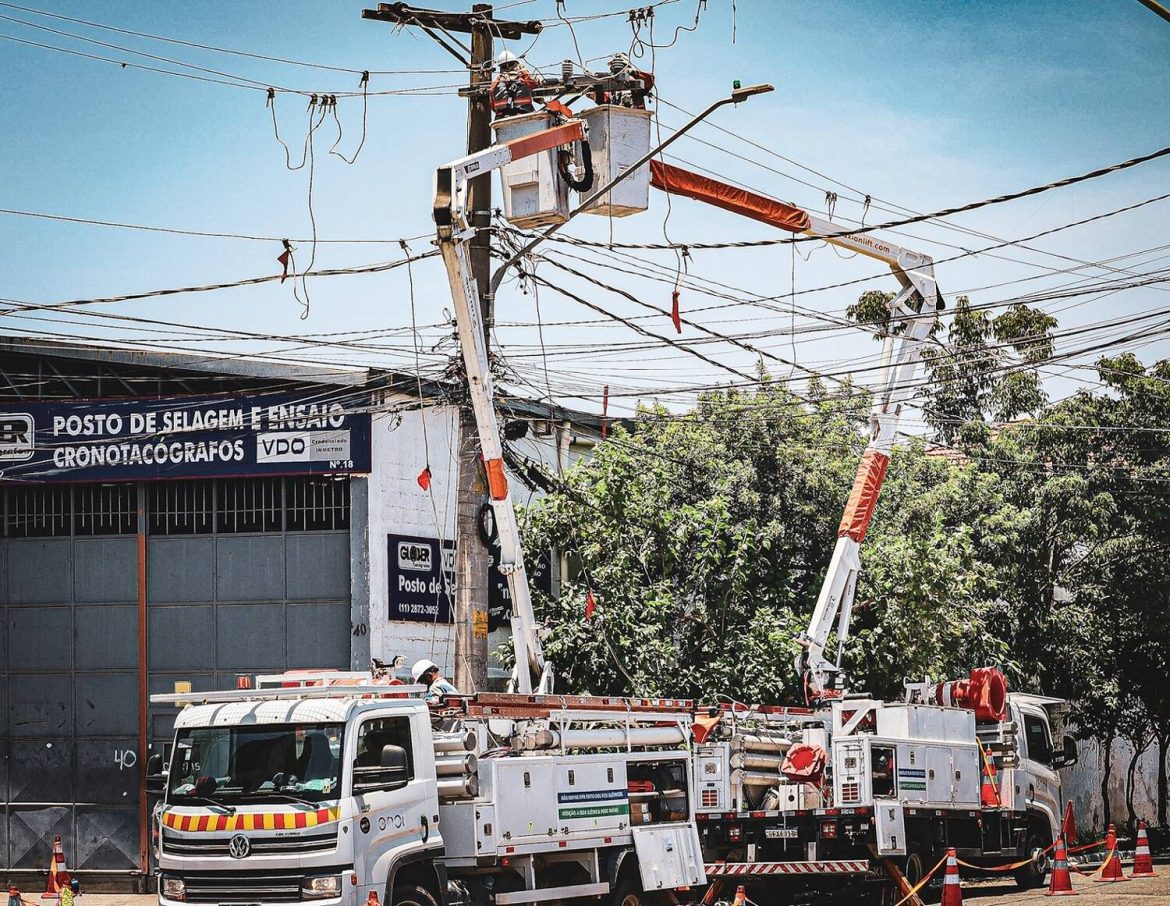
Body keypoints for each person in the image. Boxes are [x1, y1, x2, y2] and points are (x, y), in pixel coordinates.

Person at [491, 50, 541, 118]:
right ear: (516, 64)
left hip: (502, 119)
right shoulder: (525, 80)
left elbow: (492, 106)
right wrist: (524, 72)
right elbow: (535, 85)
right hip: (525, 116)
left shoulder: (495, 85)